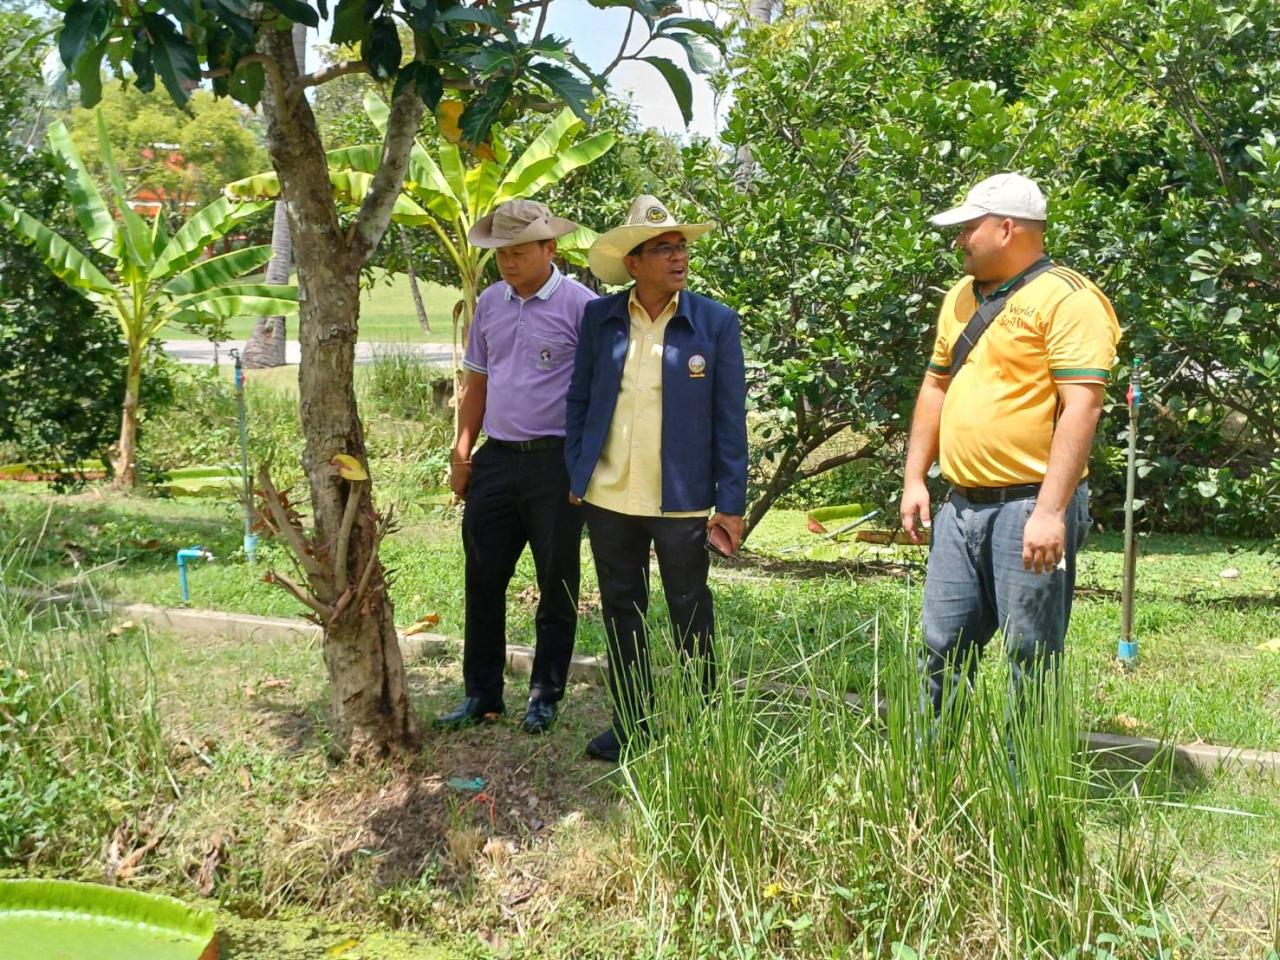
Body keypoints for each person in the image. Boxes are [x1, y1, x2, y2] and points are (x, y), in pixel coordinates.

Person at [899, 173, 1121, 715]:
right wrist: (914, 479)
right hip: (960, 506)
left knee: (1030, 655)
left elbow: (1082, 407)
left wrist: (1050, 512)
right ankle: (932, 776)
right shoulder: (959, 297)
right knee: (940, 648)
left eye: (967, 229)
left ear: (1006, 229)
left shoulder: (1070, 299)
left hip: (1028, 507)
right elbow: (935, 385)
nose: (959, 241)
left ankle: (1025, 794)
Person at [565, 195, 748, 763]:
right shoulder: (601, 318)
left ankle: (700, 723)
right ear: (634, 263)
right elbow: (581, 397)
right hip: (610, 495)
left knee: (690, 608)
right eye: (663, 248)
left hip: (683, 500)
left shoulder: (713, 322)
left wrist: (731, 501)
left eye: (681, 246)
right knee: (622, 609)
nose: (678, 256)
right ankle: (633, 722)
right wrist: (578, 466)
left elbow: (728, 417)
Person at [436, 199, 597, 735]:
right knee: (482, 577)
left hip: (556, 464)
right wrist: (463, 455)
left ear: (550, 249)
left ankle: (544, 696)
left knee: (557, 583)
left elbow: (599, 394)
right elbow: (476, 384)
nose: (508, 263)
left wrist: (586, 467)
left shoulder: (581, 306)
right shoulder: (490, 303)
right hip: (497, 461)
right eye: (501, 253)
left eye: (519, 252)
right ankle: (481, 693)